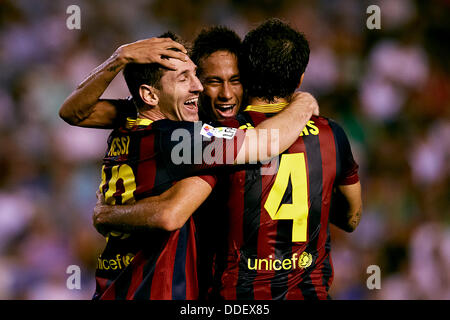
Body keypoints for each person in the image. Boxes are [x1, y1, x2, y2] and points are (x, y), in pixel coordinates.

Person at [91, 20, 362, 300]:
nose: (225, 92)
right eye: (212, 81)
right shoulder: (332, 133)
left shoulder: (218, 139)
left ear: (247, 75)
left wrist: (106, 214)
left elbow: (172, 211)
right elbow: (352, 218)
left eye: (233, 80)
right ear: (301, 78)